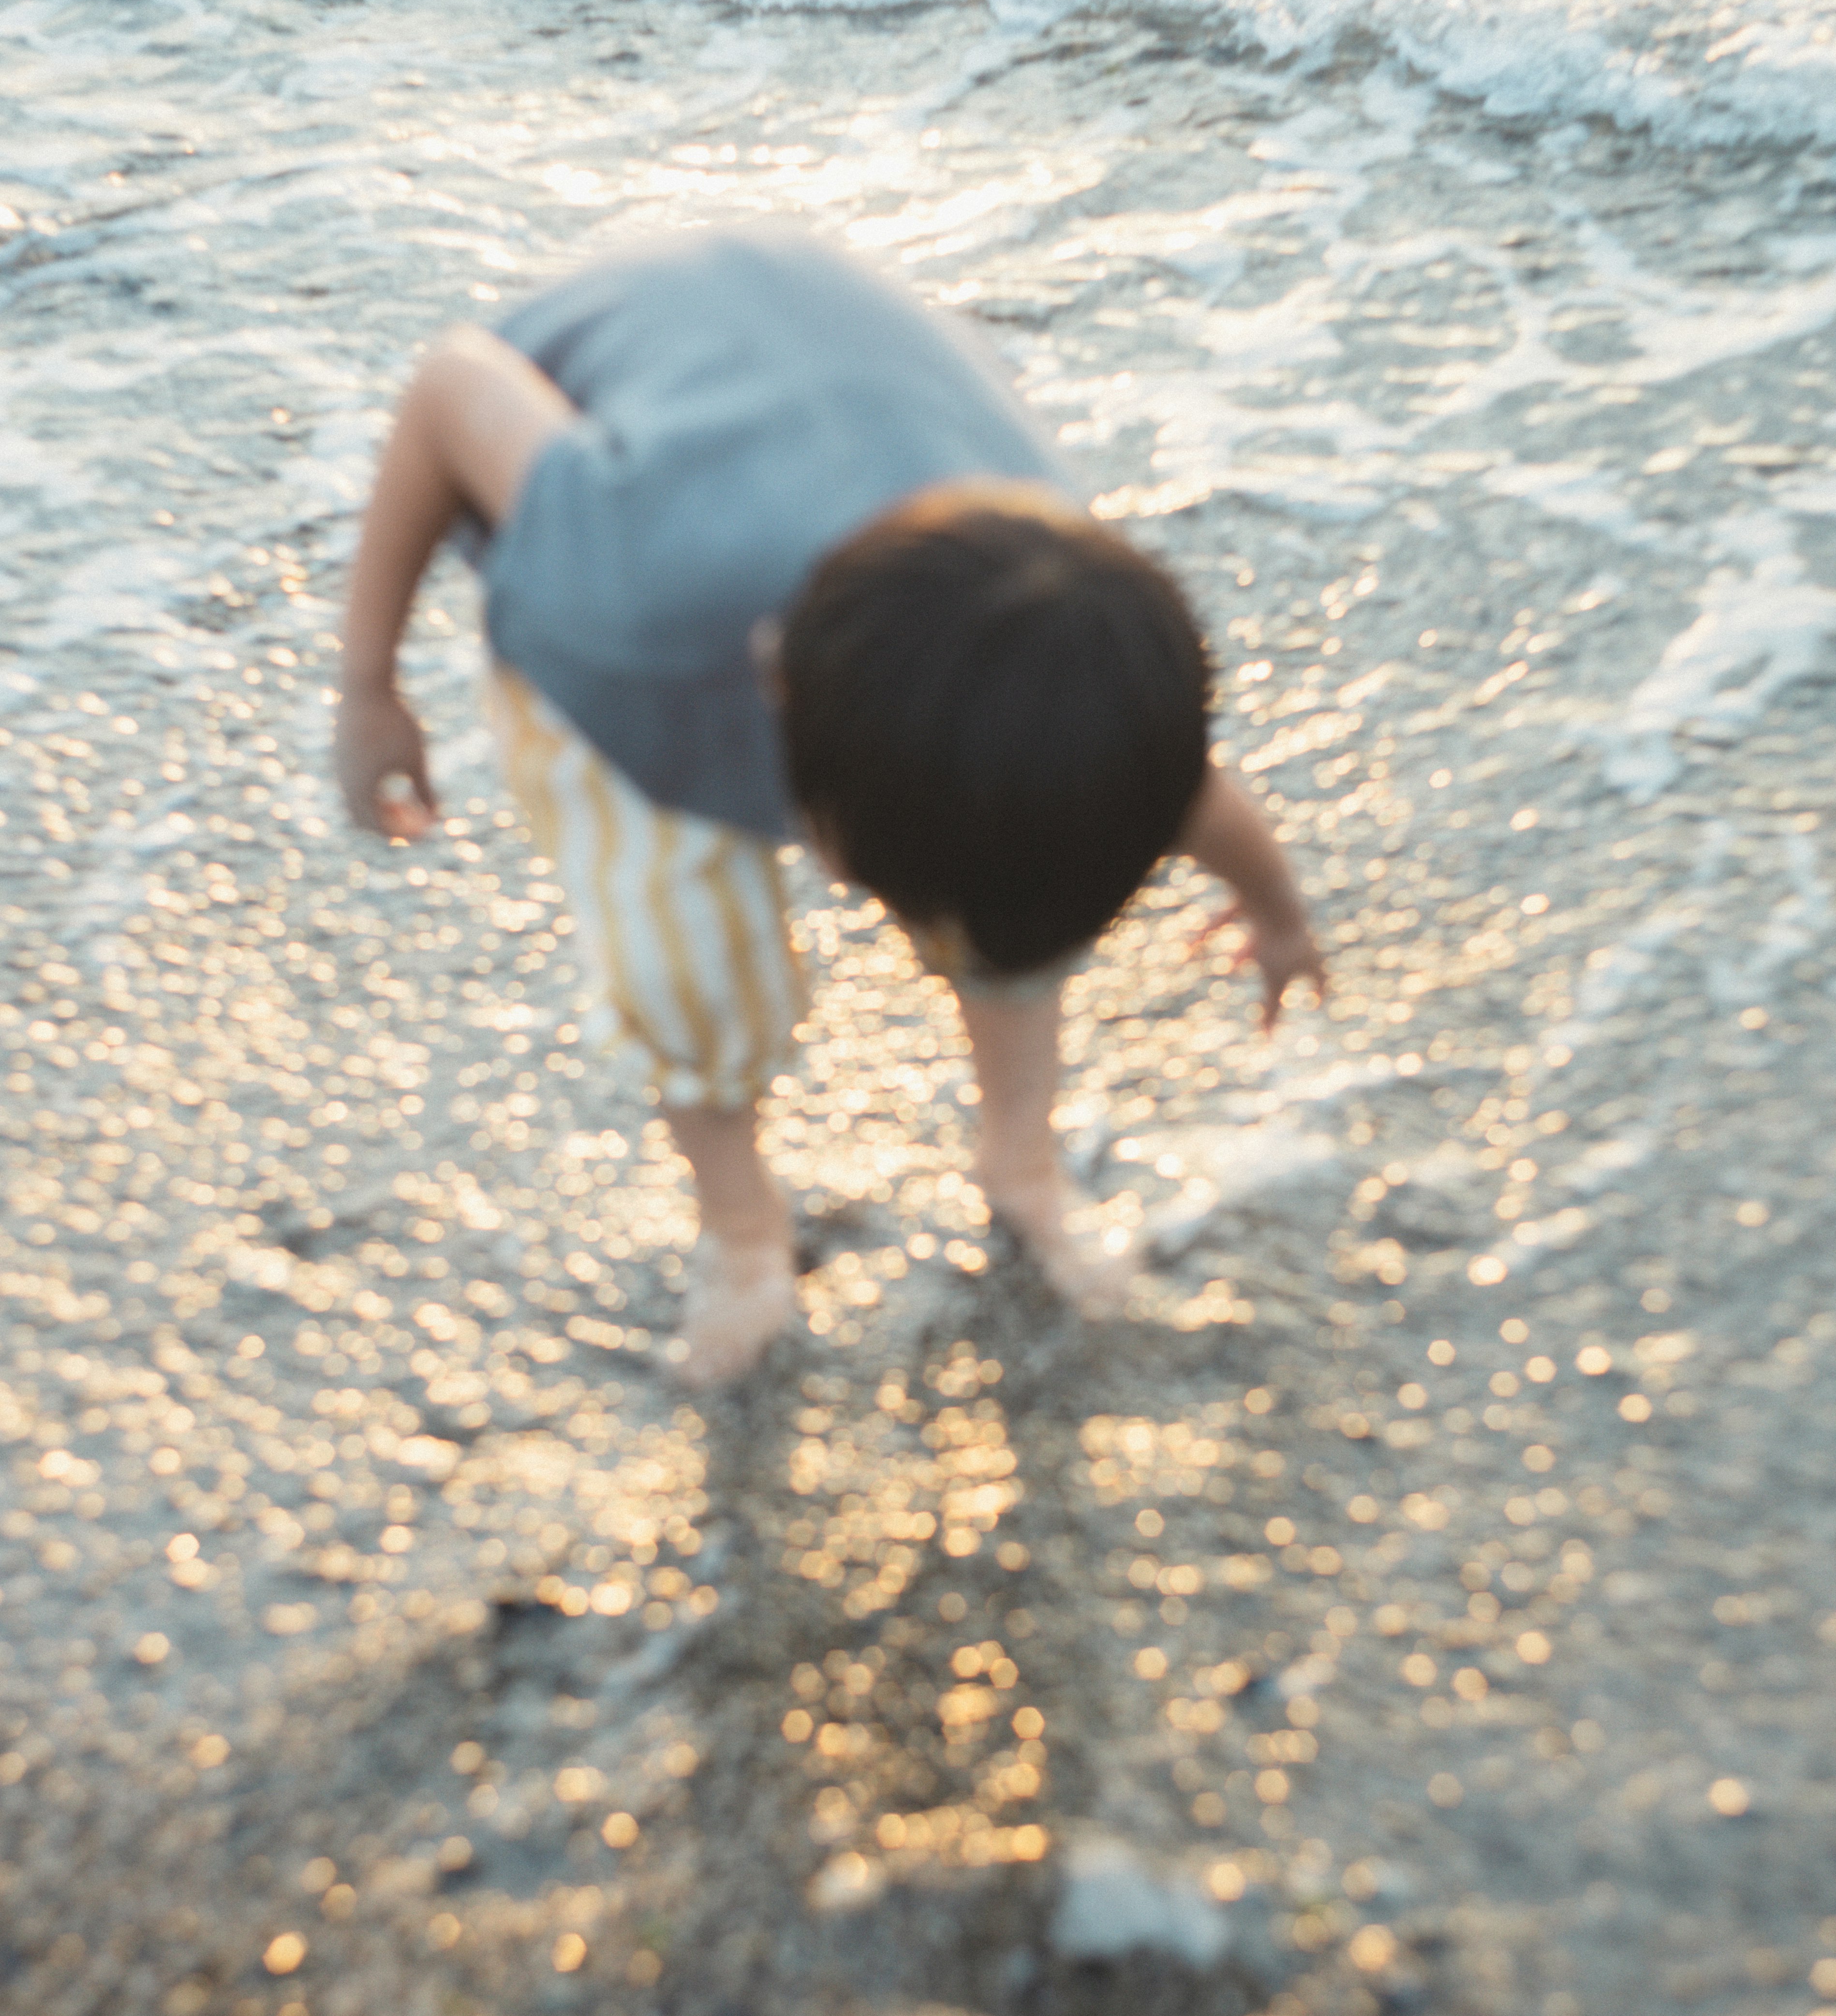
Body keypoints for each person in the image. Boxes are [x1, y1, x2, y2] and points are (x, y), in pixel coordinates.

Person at [334, 227, 1325, 1385]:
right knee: (689, 969)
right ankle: (745, 1229)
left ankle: (1022, 1163)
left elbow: (1184, 793)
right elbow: (455, 381)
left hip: (847, 435)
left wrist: (1279, 913)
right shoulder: (623, 571)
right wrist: (368, 684)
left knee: (1016, 869)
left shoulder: (1061, 651)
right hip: (620, 598)